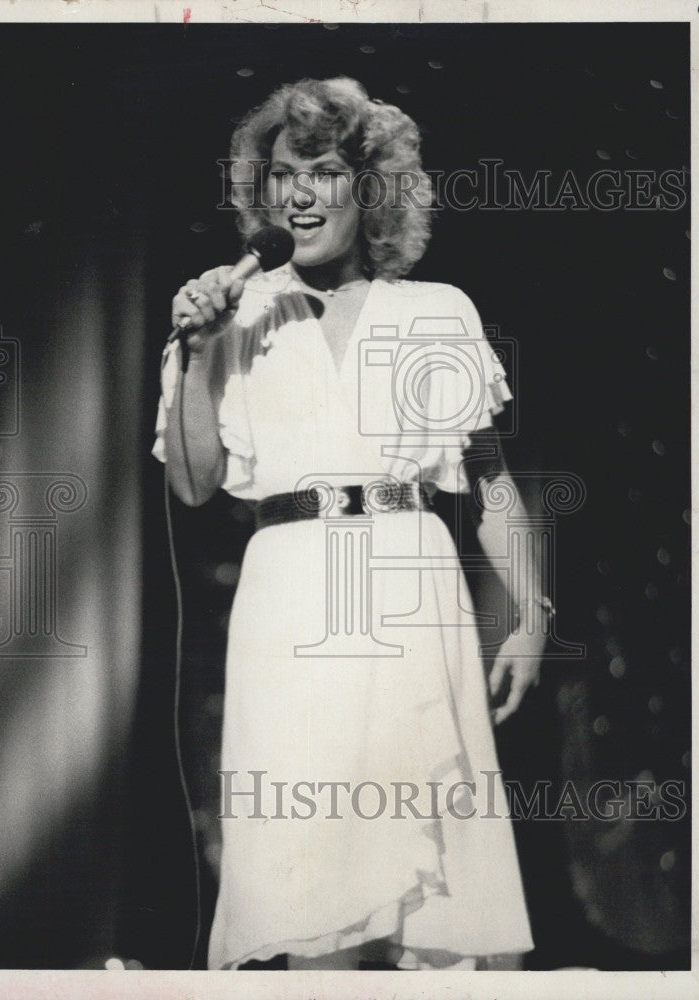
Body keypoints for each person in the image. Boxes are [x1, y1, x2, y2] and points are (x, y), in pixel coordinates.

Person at [153, 76, 548, 971]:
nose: (300, 193)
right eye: (285, 174)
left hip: (414, 596)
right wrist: (198, 353)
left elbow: (491, 484)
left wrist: (531, 616)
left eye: (325, 171)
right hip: (290, 608)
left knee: (447, 905)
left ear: (368, 189)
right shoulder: (233, 319)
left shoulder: (434, 312)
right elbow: (192, 485)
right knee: (311, 897)